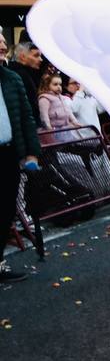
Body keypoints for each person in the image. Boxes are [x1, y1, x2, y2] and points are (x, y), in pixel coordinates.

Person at [0, 61, 41, 284]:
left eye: (3, 39)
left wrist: (32, 153)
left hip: (8, 154)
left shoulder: (12, 78)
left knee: (5, 210)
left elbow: (27, 116)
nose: (3, 43)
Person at [11, 40, 43, 112]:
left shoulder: (30, 73)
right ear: (22, 57)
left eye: (40, 56)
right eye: (36, 55)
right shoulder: (21, 75)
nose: (41, 59)